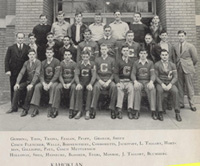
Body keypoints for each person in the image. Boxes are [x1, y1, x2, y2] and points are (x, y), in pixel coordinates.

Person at [7, 49, 41, 116]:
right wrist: (17, 83)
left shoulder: (38, 62)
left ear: (35, 55)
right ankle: (14, 107)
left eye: (33, 54)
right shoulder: (26, 63)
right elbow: (21, 73)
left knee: (29, 90)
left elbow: (37, 74)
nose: (32, 56)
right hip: (28, 82)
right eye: (30, 55)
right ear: (28, 55)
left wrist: (31, 84)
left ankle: (25, 109)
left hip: (36, 82)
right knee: (17, 88)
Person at [30, 47, 60, 118]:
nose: (49, 54)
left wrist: (50, 83)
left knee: (53, 87)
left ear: (53, 53)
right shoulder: (43, 62)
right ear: (45, 54)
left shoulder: (57, 61)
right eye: (47, 53)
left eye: (50, 52)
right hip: (45, 81)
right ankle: (35, 108)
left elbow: (57, 74)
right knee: (37, 86)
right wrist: (43, 83)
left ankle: (51, 108)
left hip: (53, 81)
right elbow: (41, 75)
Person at [173, 30, 198, 111]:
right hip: (179, 68)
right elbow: (176, 57)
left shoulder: (190, 46)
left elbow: (195, 59)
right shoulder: (175, 46)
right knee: (180, 86)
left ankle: (192, 104)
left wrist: (190, 65)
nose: (180, 38)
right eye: (179, 36)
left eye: (182, 36)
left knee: (189, 87)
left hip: (188, 68)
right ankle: (181, 103)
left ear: (185, 37)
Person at [155, 49, 182, 121]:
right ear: (160, 56)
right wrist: (162, 84)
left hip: (170, 82)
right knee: (159, 91)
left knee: (175, 91)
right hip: (160, 83)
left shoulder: (172, 65)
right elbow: (156, 76)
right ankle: (160, 112)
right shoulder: (157, 64)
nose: (164, 56)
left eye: (166, 55)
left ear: (168, 55)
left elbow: (175, 76)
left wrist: (171, 84)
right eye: (163, 55)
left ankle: (177, 112)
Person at [91, 44, 117, 119]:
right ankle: (93, 108)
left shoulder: (112, 59)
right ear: (100, 50)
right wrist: (100, 80)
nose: (104, 51)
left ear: (107, 50)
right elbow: (95, 72)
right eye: (102, 49)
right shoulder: (97, 60)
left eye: (105, 49)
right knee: (96, 87)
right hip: (100, 78)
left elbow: (113, 73)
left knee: (114, 87)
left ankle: (112, 108)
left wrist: (109, 81)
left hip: (108, 78)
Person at [131, 48, 157, 120]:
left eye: (144, 53)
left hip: (147, 81)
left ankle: (153, 110)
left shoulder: (150, 63)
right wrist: (135, 82)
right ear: (139, 54)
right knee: (137, 88)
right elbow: (133, 74)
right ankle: (137, 110)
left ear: (147, 54)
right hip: (139, 81)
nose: (143, 55)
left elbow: (153, 74)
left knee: (152, 89)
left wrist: (151, 82)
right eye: (141, 53)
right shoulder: (136, 63)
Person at [5, 32, 30, 104]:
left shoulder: (27, 48)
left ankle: (21, 103)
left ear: (24, 39)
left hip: (24, 72)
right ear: (16, 38)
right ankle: (13, 104)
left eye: (22, 38)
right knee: (13, 86)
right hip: (13, 71)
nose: (20, 39)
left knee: (22, 87)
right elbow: (7, 59)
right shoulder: (11, 48)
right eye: (19, 38)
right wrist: (7, 70)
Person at [51, 50, 76, 119]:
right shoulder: (61, 63)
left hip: (71, 82)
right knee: (57, 88)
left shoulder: (74, 64)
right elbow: (60, 75)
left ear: (71, 56)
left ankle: (71, 109)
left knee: (74, 88)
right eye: (66, 55)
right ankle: (55, 109)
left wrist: (70, 83)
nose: (67, 56)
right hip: (63, 82)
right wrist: (63, 83)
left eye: (68, 55)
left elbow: (75, 76)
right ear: (64, 56)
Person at [74, 50, 96, 120]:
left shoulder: (92, 64)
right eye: (84, 57)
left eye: (87, 57)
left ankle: (87, 110)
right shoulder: (79, 63)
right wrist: (78, 83)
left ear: (89, 57)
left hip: (88, 81)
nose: (85, 58)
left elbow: (94, 75)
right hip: (81, 82)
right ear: (81, 57)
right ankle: (79, 110)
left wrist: (91, 84)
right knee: (79, 89)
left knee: (89, 90)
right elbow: (76, 74)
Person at [114, 45, 134, 119]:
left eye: (127, 51)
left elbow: (133, 73)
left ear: (129, 52)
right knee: (119, 89)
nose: (126, 52)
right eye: (124, 51)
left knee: (131, 89)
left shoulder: (132, 61)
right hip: (121, 81)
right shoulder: (118, 61)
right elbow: (115, 73)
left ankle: (130, 109)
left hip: (129, 81)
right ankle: (119, 110)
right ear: (122, 52)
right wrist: (118, 82)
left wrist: (132, 81)